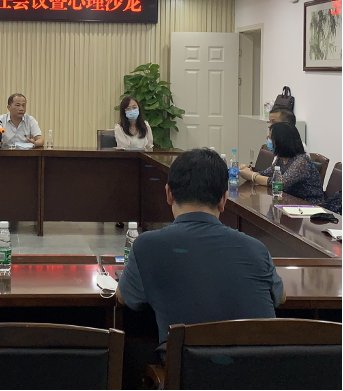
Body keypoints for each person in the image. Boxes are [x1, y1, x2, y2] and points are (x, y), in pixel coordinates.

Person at [117, 148, 285, 361]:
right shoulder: (256, 248)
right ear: (224, 200)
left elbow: (125, 298)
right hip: (256, 373)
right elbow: (280, 297)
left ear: (169, 194)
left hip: (188, 373)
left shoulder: (147, 245)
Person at [239, 122, 324, 204]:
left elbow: (280, 184)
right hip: (288, 202)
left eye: (271, 138)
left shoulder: (302, 161)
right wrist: (247, 171)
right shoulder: (281, 158)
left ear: (281, 141)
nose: (269, 141)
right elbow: (266, 174)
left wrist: (253, 176)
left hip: (308, 205)